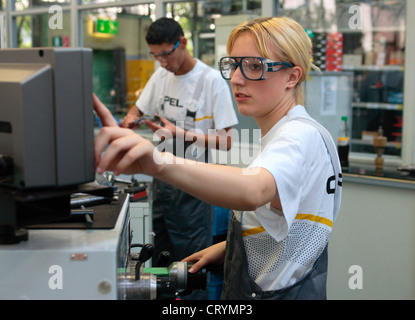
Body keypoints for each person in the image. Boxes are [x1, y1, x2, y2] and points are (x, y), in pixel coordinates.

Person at [94, 16, 342, 300]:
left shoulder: (297, 136)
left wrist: (158, 163)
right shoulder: (292, 133)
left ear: (292, 76)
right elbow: (288, 227)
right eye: (234, 65)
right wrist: (228, 248)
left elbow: (253, 190)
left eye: (254, 66)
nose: (236, 78)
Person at [121, 18, 239, 271]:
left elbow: (227, 141)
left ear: (182, 43)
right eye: (155, 56)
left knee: (190, 270)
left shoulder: (211, 81)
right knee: (160, 266)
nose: (162, 62)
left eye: (165, 54)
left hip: (194, 191)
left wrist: (180, 133)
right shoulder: (161, 76)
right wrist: (132, 119)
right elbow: (137, 108)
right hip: (163, 183)